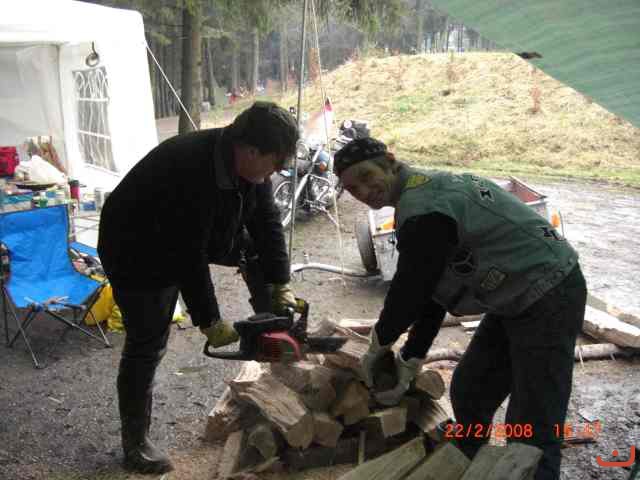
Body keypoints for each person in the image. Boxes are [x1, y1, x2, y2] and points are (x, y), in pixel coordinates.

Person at [333, 137, 586, 480]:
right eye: (352, 188)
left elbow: (410, 293)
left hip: (550, 292)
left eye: (366, 176)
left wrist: (378, 345)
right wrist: (411, 357)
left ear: (390, 162)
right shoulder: (418, 199)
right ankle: (465, 462)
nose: (363, 191)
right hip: (513, 297)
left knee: (531, 427)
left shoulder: (425, 208)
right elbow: (432, 291)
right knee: (471, 388)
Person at [97, 101, 299, 474]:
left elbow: (267, 222)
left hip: (197, 234)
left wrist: (279, 282)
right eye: (274, 164)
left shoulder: (249, 165)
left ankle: (272, 326)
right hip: (135, 250)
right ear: (251, 151)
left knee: (257, 254)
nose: (275, 172)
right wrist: (210, 320)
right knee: (147, 342)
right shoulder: (189, 169)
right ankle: (135, 443)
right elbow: (187, 255)